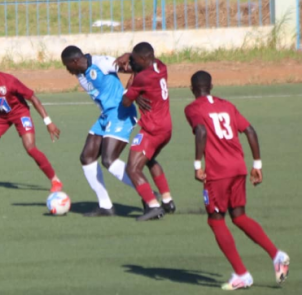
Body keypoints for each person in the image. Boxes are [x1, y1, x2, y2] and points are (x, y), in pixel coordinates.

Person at [184, 71, 289, 290]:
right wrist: (257, 164)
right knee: (239, 217)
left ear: (192, 89)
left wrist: (197, 165)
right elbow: (249, 130)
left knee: (215, 220)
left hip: (218, 173)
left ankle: (242, 274)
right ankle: (276, 255)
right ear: (211, 85)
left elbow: (201, 131)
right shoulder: (227, 105)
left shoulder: (193, 108)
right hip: (238, 168)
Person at [0, 56, 62, 193]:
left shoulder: (9, 82)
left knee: (30, 148)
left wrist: (48, 122)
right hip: (1, 115)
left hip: (20, 113)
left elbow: (33, 99)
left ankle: (55, 180)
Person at [60, 45, 138, 217]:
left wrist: (132, 91)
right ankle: (105, 206)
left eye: (67, 66)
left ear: (74, 61)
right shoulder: (80, 73)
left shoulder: (102, 63)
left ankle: (147, 194)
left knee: (109, 160)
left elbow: (139, 67)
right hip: (106, 116)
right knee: (87, 157)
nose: (67, 70)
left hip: (121, 114)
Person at [115, 42, 176, 221]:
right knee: (149, 161)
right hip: (166, 128)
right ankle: (167, 200)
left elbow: (125, 101)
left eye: (134, 59)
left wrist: (133, 95)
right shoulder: (161, 66)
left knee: (132, 168)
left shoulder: (142, 78)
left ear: (142, 59)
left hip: (152, 130)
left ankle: (153, 205)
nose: (131, 62)